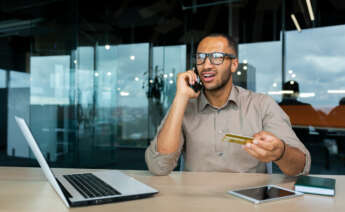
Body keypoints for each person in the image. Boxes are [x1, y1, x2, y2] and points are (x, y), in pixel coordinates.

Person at [145, 33, 311, 176]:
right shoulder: (185, 106)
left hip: (249, 204)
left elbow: (301, 167)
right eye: (200, 57)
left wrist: (280, 152)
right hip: (196, 202)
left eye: (216, 57)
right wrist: (181, 97)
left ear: (233, 64)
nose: (206, 65)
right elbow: (159, 166)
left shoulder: (261, 104)